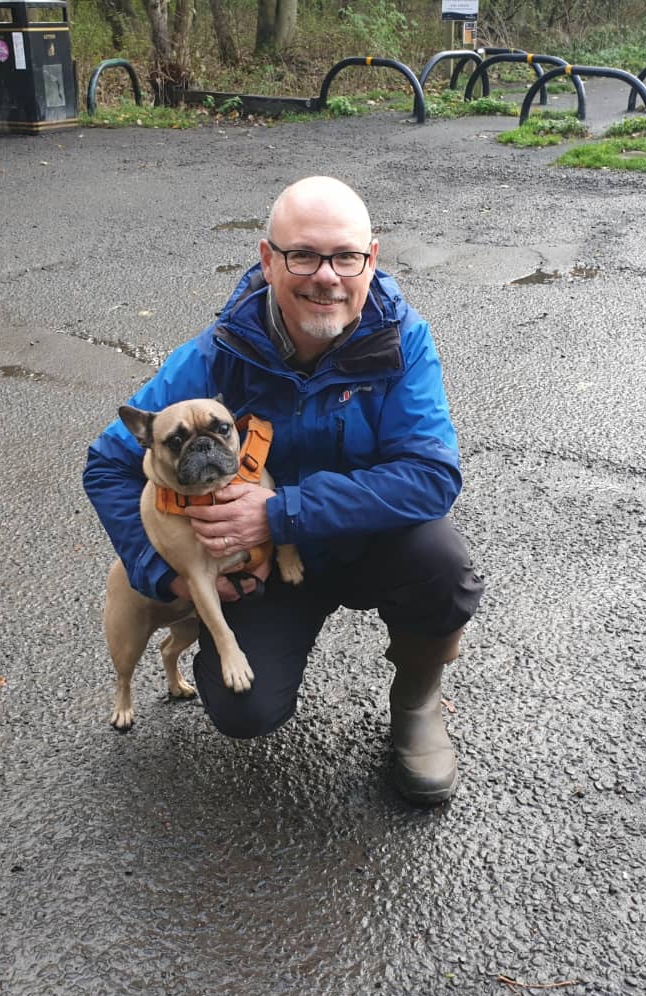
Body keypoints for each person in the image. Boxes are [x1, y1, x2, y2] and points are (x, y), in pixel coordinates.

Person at [83, 176, 483, 805]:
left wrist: (282, 513)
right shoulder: (215, 356)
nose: (326, 276)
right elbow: (107, 465)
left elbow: (432, 477)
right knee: (245, 711)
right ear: (268, 260)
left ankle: (416, 706)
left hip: (364, 546)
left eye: (345, 257)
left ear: (371, 259)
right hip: (257, 571)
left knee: (443, 566)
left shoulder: (403, 342)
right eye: (303, 255)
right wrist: (165, 577)